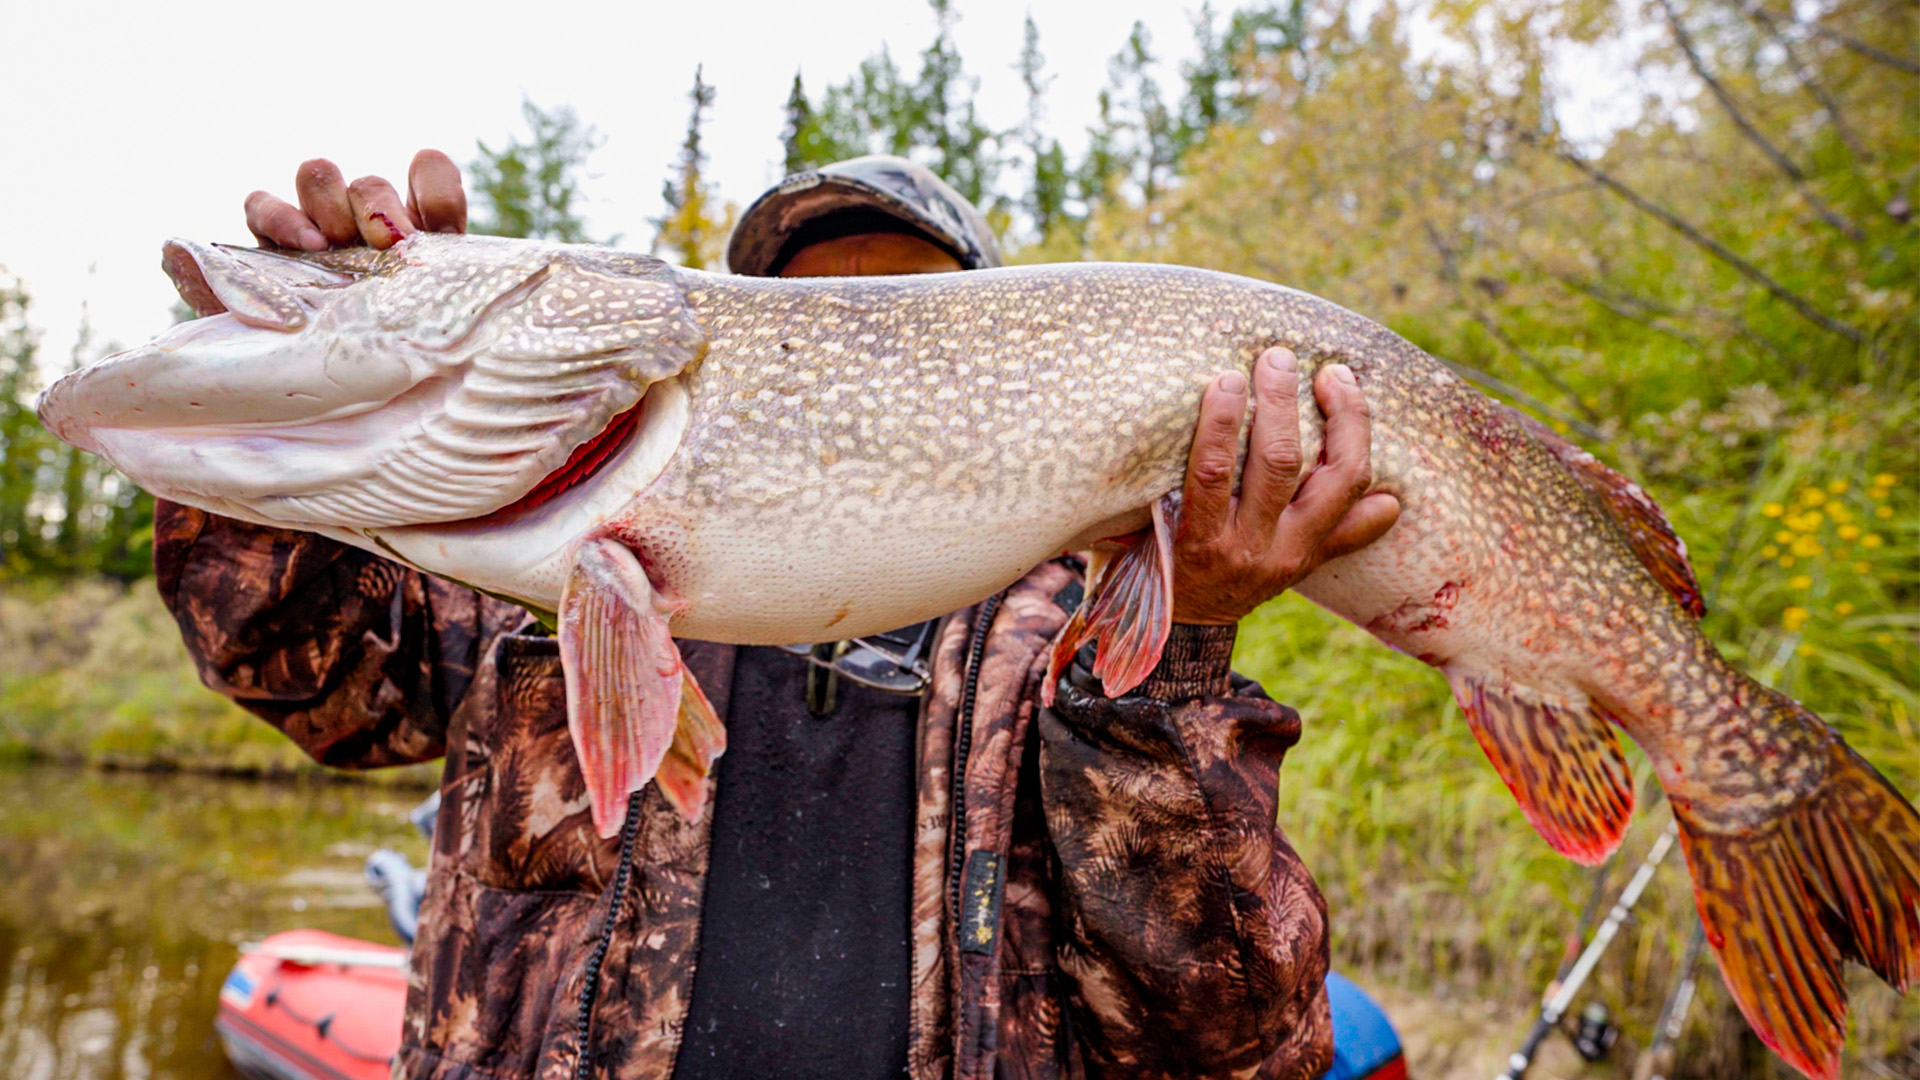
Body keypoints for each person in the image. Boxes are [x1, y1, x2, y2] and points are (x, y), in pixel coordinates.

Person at [163, 149, 1400, 1080]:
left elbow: (1235, 1046)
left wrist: (1181, 664)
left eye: (900, 320)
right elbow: (290, 662)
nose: (847, 349)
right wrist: (338, 384)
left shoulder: (1088, 650)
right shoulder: (527, 575)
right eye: (800, 318)